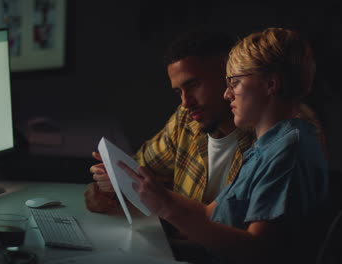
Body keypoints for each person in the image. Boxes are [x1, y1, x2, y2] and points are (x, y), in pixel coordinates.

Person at [118, 27, 329, 264]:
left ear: (271, 84)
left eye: (235, 83)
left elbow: (260, 252)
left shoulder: (289, 150)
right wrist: (157, 196)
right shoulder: (264, 148)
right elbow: (210, 214)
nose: (227, 94)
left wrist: (168, 208)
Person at [84, 30, 326, 216]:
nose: (186, 102)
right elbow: (139, 173)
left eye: (193, 85)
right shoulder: (186, 118)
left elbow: (260, 245)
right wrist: (110, 187)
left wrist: (165, 203)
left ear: (228, 73)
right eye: (178, 91)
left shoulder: (281, 130)